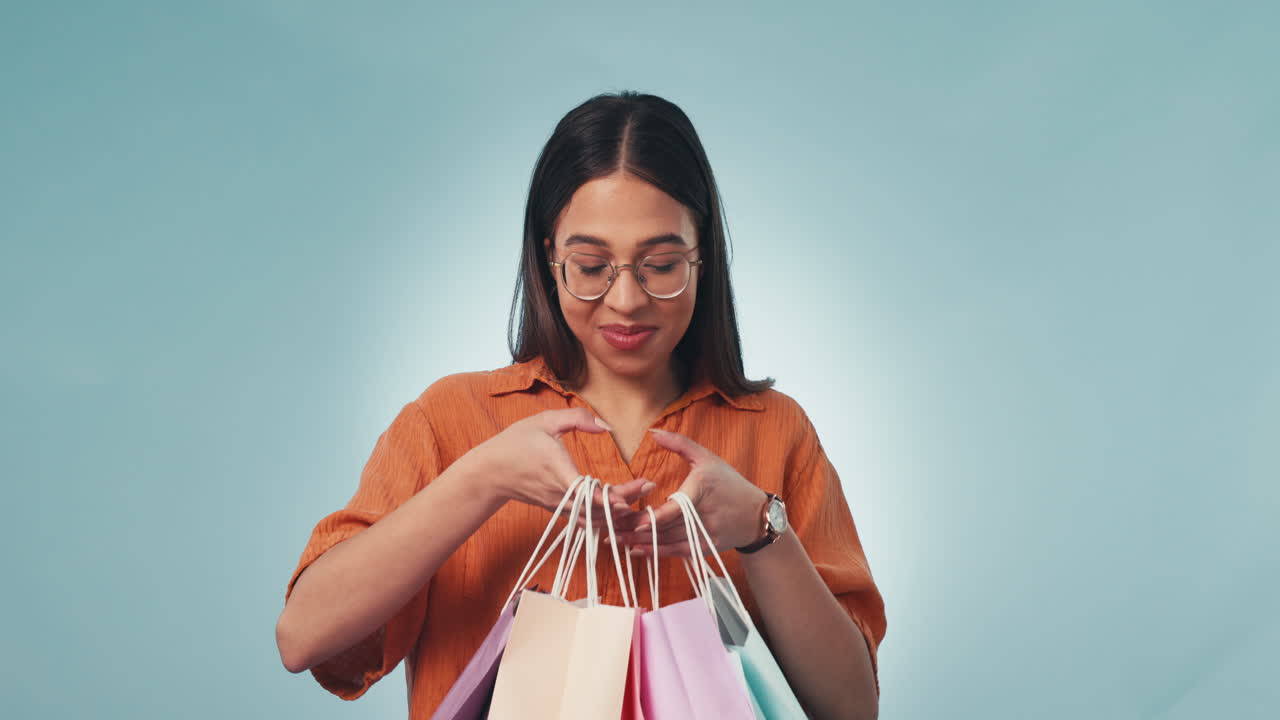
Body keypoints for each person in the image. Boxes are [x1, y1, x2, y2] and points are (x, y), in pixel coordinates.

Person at [275, 91, 886, 720]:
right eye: (590, 266)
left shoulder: (774, 429)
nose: (626, 299)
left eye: (661, 264)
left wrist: (763, 530)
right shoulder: (449, 419)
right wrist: (485, 477)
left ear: (703, 257)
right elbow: (305, 638)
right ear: (548, 256)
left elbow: (850, 708)